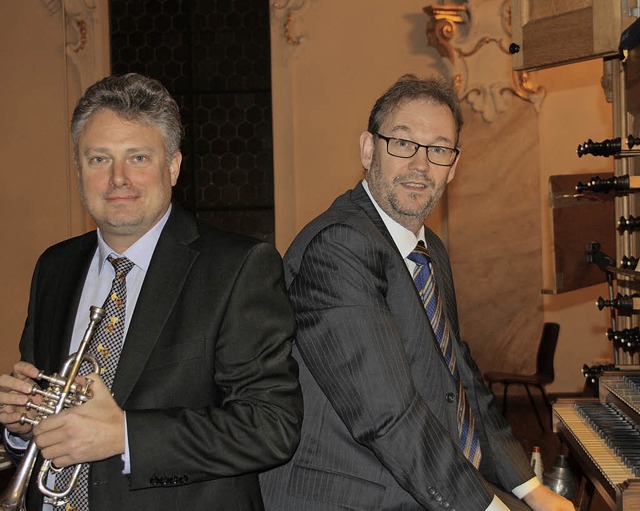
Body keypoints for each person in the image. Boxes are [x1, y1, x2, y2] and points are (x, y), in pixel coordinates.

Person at [260, 75, 574, 511]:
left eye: (439, 149)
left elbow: (461, 380)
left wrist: (528, 487)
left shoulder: (429, 252)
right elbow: (386, 413)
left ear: (454, 166)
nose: (420, 166)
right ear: (369, 150)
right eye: (402, 144)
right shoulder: (339, 246)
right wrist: (489, 509)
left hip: (410, 479)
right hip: (348, 493)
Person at [0, 73, 302, 511]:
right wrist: (22, 424)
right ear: (78, 168)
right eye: (99, 159)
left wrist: (124, 436)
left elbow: (272, 427)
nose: (118, 179)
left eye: (138, 157)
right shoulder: (54, 267)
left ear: (173, 166)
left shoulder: (237, 266)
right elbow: (49, 402)